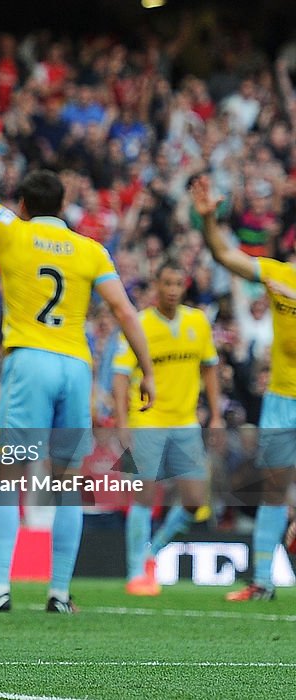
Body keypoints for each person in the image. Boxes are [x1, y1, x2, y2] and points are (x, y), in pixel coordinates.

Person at [0, 73, 154, 614]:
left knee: (8, 471)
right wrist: (145, 367)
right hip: (76, 366)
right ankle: (58, 593)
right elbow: (124, 310)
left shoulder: (12, 229)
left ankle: (0, 588)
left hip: (28, 361)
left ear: (25, 202)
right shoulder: (90, 250)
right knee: (67, 480)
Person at [190, 174, 294, 601]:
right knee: (271, 490)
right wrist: (210, 220)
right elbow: (224, 254)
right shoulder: (277, 274)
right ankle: (263, 581)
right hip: (282, 401)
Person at [112, 261, 222, 596]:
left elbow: (210, 368)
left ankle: (151, 553)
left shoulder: (198, 322)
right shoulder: (138, 323)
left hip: (186, 421)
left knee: (194, 499)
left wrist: (215, 415)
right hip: (147, 418)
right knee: (144, 495)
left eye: (178, 283)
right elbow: (119, 375)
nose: (172, 290)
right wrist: (121, 421)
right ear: (156, 285)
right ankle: (135, 573)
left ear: (184, 286)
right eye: (167, 283)